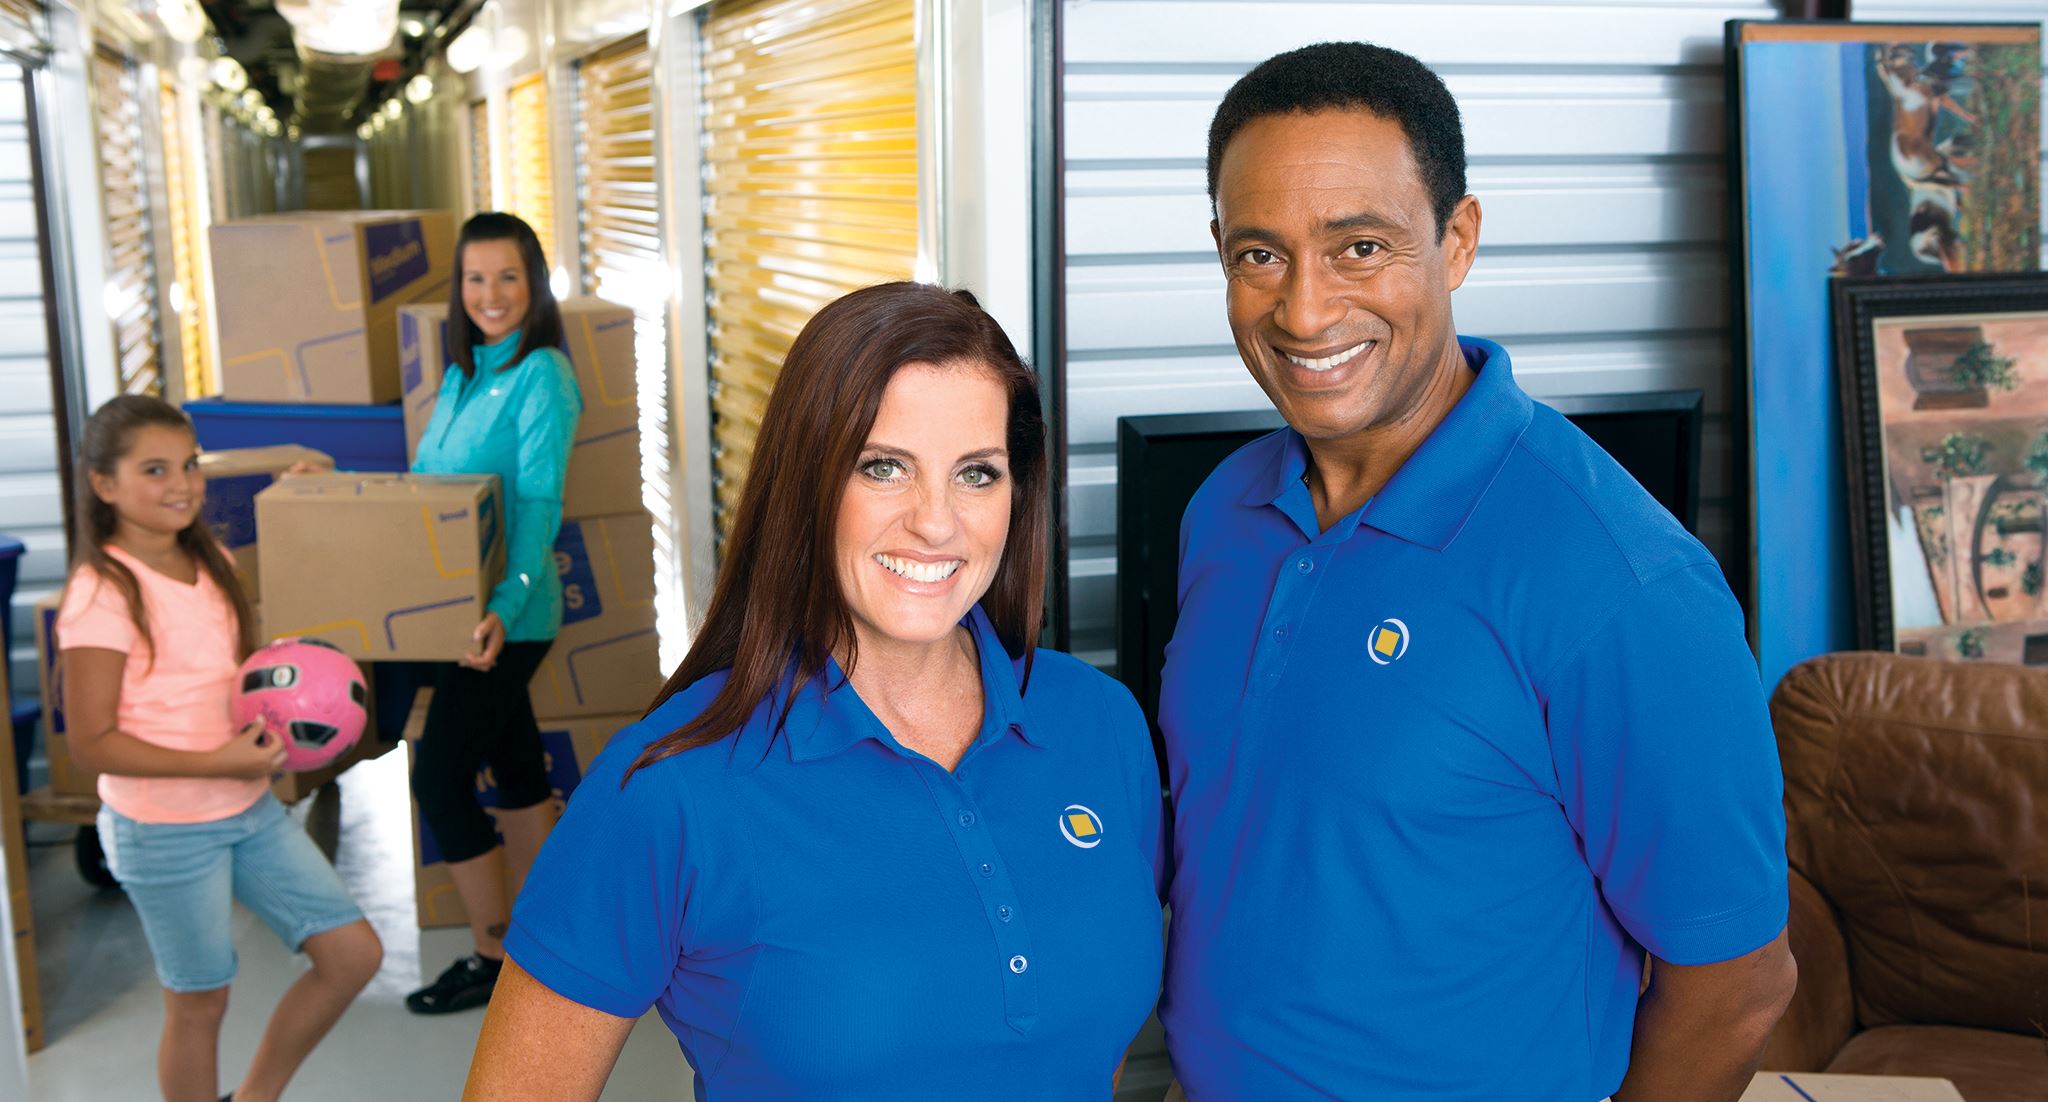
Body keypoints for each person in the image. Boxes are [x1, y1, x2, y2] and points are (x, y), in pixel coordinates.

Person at [1157, 42, 1796, 1101]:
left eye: (1360, 247)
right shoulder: (1223, 513)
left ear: (1456, 241)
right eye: (1259, 255)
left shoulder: (1621, 583)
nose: (1304, 311)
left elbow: (1737, 986)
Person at [463, 283, 1166, 1099]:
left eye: (977, 473)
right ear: (807, 484)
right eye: (883, 468)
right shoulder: (668, 789)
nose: (936, 522)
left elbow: (1088, 1049)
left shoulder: (1099, 722)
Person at [60, 396, 382, 1102]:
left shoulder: (213, 562)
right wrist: (216, 763)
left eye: (190, 465)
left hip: (245, 806)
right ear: (104, 484)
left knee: (352, 954)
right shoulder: (101, 593)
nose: (182, 485)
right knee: (201, 1003)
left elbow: (228, 679)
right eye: (155, 470)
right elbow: (90, 742)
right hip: (164, 830)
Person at [404, 211, 583, 1015]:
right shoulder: (462, 375)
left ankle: (492, 954)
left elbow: (540, 503)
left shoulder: (543, 375)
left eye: (508, 276)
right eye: (475, 278)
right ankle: (549, 941)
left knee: (439, 778)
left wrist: (506, 608)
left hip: (509, 616)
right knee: (514, 765)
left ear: (534, 284)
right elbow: (426, 488)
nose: (491, 294)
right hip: (459, 611)